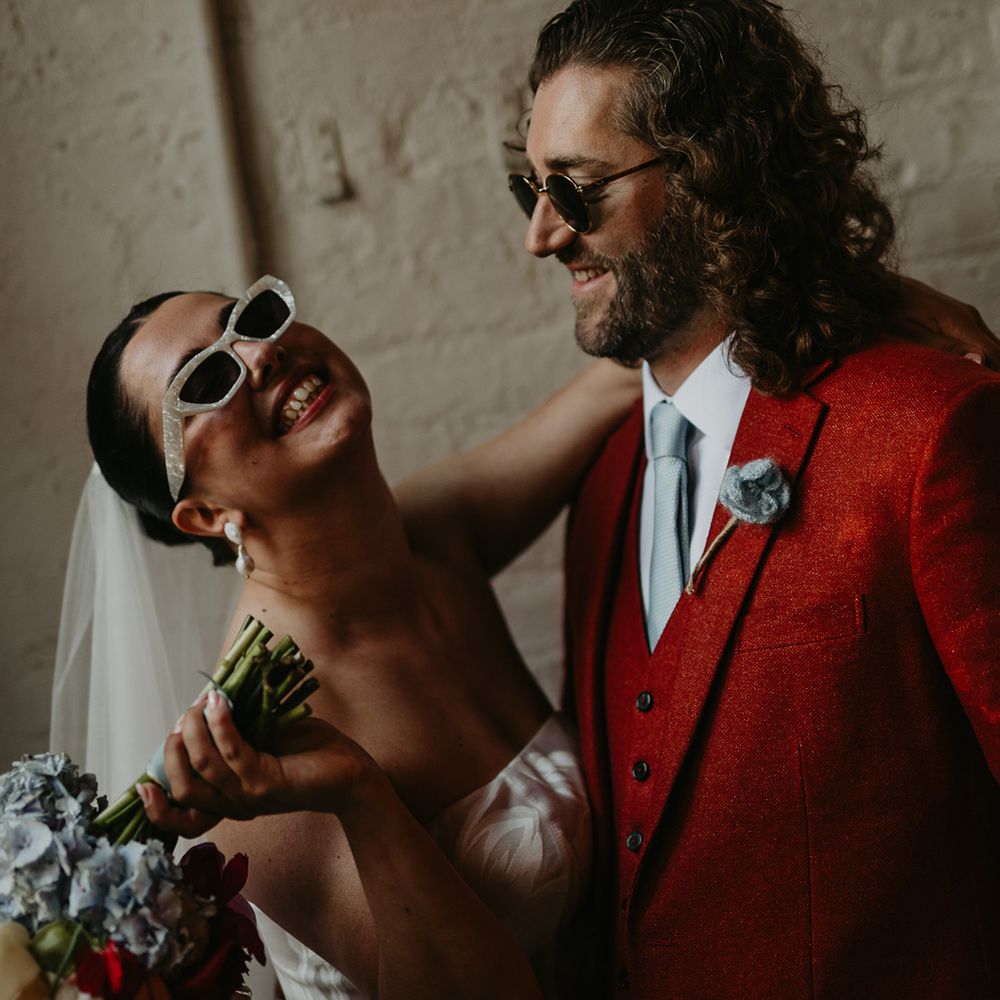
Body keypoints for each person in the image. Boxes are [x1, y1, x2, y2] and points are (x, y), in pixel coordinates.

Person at [506, 1, 999, 997]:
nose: (542, 234)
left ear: (711, 173)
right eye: (530, 187)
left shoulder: (931, 431)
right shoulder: (602, 482)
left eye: (576, 189)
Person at [72, 273, 644, 999]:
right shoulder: (260, 757)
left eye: (253, 318)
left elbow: (626, 377)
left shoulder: (431, 536)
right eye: (205, 380)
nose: (262, 354)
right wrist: (360, 792)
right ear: (207, 515)